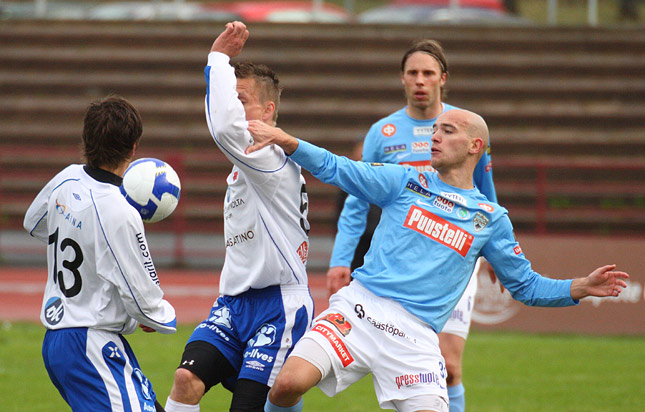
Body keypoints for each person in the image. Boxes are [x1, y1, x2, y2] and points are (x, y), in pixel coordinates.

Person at [245, 109, 629, 412]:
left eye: (448, 130)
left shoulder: (490, 218)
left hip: (415, 337)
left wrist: (579, 287)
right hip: (359, 310)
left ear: (475, 145)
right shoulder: (405, 181)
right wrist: (286, 140)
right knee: (287, 384)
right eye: (434, 130)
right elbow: (338, 167)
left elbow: (525, 285)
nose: (435, 136)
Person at [327, 39, 497, 412]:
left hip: (451, 256)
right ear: (402, 79)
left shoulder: (466, 126)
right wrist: (340, 260)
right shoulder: (382, 134)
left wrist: (499, 252)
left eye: (428, 73)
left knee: (450, 367)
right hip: (400, 261)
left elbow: (487, 196)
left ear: (442, 79)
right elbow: (356, 202)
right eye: (413, 73)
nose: (420, 80)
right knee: (411, 365)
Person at [164, 22, 314, 412]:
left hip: (279, 305)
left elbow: (225, 129)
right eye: (231, 98)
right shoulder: (246, 166)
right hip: (233, 303)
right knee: (186, 381)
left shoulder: (269, 159)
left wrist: (217, 59)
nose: (233, 106)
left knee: (251, 407)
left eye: (242, 99)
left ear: (269, 111)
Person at [23, 95, 177, 412]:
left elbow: (34, 222)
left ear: (87, 140)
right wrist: (164, 317)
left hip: (58, 340)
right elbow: (144, 302)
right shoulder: (120, 210)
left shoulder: (65, 178)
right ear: (134, 148)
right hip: (90, 343)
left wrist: (85, 241)